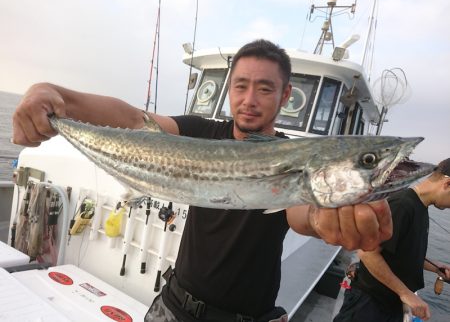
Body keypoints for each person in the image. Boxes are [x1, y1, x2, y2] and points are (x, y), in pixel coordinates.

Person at [13, 39, 392, 321]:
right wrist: (54, 94)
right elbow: (133, 121)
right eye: (241, 85)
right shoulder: (203, 132)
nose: (250, 99)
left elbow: (300, 212)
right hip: (175, 304)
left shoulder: (289, 158)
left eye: (265, 88)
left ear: (286, 95)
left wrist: (323, 218)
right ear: (230, 89)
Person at [333, 158, 450, 322]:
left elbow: (402, 252)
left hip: (390, 305)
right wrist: (406, 294)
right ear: (447, 184)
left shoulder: (421, 208)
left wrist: (437, 268)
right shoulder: (403, 205)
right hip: (369, 305)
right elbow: (368, 254)